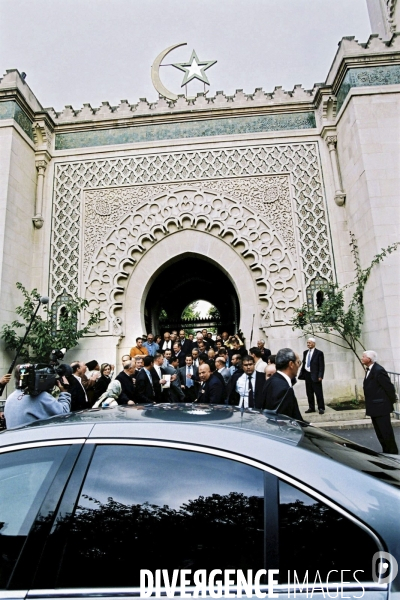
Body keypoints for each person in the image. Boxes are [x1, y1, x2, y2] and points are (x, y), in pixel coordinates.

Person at [4, 365, 71, 428]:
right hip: (34, 439)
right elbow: (64, 414)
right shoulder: (41, 397)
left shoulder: (10, 398)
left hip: (14, 439)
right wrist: (64, 392)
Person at [362, 350, 398, 454]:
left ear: (369, 359)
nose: (362, 358)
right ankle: (386, 452)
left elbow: (389, 387)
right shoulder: (370, 369)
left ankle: (393, 454)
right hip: (374, 407)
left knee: (386, 432)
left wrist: (390, 402)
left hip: (381, 407)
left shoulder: (378, 370)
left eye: (363, 356)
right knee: (380, 433)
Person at [262, 348, 303, 421]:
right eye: (298, 362)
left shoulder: (271, 380)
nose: (299, 366)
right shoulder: (284, 388)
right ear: (291, 364)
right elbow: (284, 421)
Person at [298, 337, 325, 414]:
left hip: (316, 375)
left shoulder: (319, 353)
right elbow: (305, 362)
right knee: (309, 392)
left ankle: (321, 407)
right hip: (307, 374)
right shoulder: (305, 352)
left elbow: (321, 366)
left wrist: (320, 376)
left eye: (309, 343)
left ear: (314, 343)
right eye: (307, 343)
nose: (308, 344)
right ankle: (311, 407)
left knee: (318, 392)